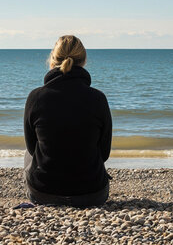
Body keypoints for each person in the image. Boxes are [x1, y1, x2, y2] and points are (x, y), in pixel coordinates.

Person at [23, 35, 113, 207]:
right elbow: (104, 153)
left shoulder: (36, 97)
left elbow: (31, 148)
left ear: (52, 59)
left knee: (29, 152)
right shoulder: (98, 98)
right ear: (84, 61)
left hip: (43, 193)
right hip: (92, 194)